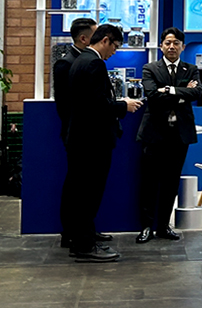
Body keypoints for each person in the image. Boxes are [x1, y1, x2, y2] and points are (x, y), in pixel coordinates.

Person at [65, 24, 142, 262]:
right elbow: (97, 106)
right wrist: (124, 106)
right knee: (88, 194)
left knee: (81, 193)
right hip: (92, 141)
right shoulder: (94, 64)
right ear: (106, 40)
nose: (114, 52)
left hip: (82, 139)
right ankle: (85, 246)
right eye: (115, 47)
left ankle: (83, 238)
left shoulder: (81, 60)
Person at [135, 27, 202, 244]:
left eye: (176, 43)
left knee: (171, 182)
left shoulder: (191, 69)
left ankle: (164, 225)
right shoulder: (150, 68)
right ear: (161, 46)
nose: (171, 47)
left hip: (179, 135)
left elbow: (197, 92)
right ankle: (146, 226)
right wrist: (182, 94)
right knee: (149, 182)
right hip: (154, 133)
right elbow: (153, 96)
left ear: (183, 46)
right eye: (168, 43)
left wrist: (170, 91)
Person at [53, 17, 105, 249]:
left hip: (87, 134)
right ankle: (71, 233)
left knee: (87, 187)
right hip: (78, 134)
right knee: (77, 186)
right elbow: (65, 105)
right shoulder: (66, 64)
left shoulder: (90, 60)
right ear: (84, 38)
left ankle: (86, 229)